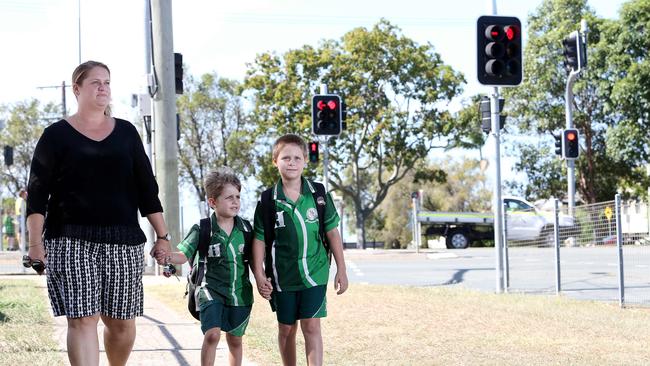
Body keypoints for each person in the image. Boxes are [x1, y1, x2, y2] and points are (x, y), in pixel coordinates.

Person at [26, 60, 171, 366]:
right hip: (69, 239)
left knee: (120, 324)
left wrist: (162, 235)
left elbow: (147, 189)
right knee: (82, 319)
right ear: (77, 89)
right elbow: (37, 194)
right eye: (95, 82)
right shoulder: (55, 135)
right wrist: (34, 243)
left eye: (107, 82)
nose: (103, 87)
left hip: (123, 240)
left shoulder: (127, 133)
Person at [251, 133, 348, 366]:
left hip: (315, 272)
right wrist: (259, 275)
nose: (292, 162)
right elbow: (259, 241)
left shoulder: (318, 195)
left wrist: (341, 270)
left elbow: (333, 233)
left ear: (305, 160)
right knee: (286, 329)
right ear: (275, 162)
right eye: (286, 158)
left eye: (297, 157)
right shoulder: (267, 201)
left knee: (312, 325)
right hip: (283, 276)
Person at [159, 168, 259, 366]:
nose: (235, 201)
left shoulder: (247, 229)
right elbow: (183, 254)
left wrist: (262, 279)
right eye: (229, 197)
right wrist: (167, 256)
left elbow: (255, 261)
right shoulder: (202, 228)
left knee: (235, 339)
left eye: (238, 196)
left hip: (239, 293)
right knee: (212, 335)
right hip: (209, 290)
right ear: (213, 202)